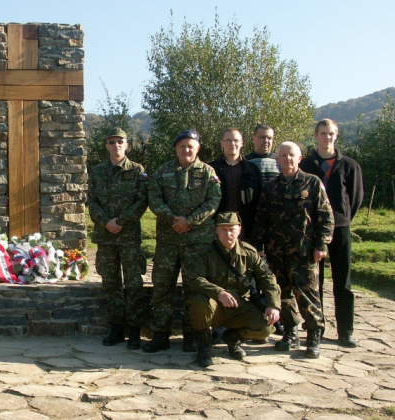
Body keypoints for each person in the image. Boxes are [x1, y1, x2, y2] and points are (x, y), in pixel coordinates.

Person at [253, 142, 334, 359]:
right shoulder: (270, 187)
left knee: (307, 294)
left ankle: (314, 335)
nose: (287, 159)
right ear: (277, 159)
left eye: (291, 155)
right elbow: (261, 219)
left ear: (299, 158)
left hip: (304, 251)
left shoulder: (312, 183)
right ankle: (290, 333)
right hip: (276, 251)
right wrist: (259, 248)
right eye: (283, 155)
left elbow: (325, 218)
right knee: (282, 294)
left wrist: (321, 245)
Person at [144, 130, 221, 353]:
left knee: (194, 289)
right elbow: (154, 199)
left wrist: (190, 221)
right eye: (182, 146)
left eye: (190, 146)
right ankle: (160, 335)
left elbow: (213, 201)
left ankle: (192, 335)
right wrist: (173, 219)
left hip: (197, 242)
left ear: (198, 148)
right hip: (168, 241)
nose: (186, 150)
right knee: (162, 288)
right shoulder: (162, 171)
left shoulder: (207, 172)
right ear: (176, 148)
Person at [184, 212, 281, 367]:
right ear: (216, 230)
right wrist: (219, 292)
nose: (228, 234)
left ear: (239, 230)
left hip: (240, 306)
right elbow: (195, 279)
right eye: (223, 229)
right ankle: (204, 347)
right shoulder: (206, 252)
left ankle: (233, 338)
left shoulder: (249, 253)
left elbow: (267, 278)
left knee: (265, 328)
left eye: (231, 229)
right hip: (214, 306)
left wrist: (273, 305)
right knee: (199, 301)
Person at [300, 119, 364, 348]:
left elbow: (356, 197)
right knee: (314, 282)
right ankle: (315, 328)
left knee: (343, 282)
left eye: (331, 134)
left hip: (341, 229)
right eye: (323, 133)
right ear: (315, 136)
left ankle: (345, 331)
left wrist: (341, 217)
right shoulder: (305, 164)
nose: (327, 137)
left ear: (336, 136)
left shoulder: (350, 165)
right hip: (312, 230)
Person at [87, 127, 149, 349]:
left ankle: (135, 329)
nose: (116, 145)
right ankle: (117, 327)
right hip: (106, 237)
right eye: (112, 142)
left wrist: (121, 222)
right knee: (111, 283)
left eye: (120, 141)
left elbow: (142, 201)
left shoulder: (137, 170)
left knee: (133, 283)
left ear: (127, 144)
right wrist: (106, 222)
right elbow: (92, 201)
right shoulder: (97, 172)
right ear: (107, 145)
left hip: (129, 237)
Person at [208, 128, 261, 243]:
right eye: (228, 140)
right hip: (218, 228)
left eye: (236, 140)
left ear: (242, 143)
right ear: (222, 143)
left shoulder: (252, 169)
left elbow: (259, 201)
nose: (232, 143)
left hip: (246, 229)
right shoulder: (211, 169)